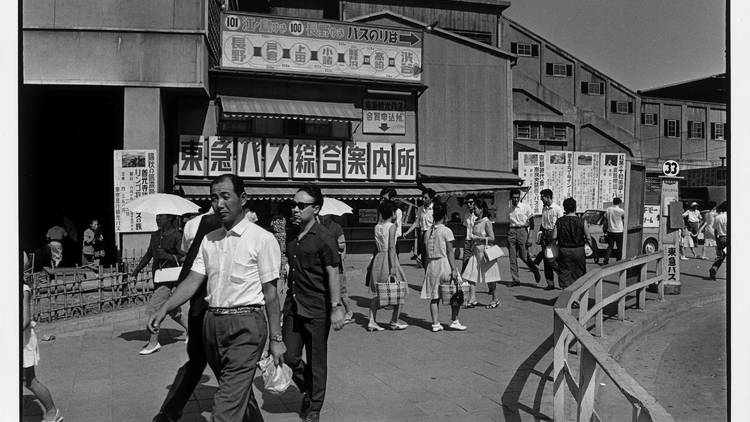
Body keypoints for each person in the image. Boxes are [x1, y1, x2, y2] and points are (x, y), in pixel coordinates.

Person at [149, 173, 284, 422]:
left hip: (246, 327)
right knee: (236, 394)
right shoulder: (209, 240)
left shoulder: (262, 239)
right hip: (212, 326)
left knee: (224, 409)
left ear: (242, 199)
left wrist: (276, 338)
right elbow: (192, 280)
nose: (219, 203)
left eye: (225, 196)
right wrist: (165, 308)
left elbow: (271, 293)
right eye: (214, 198)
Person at [283, 183, 345, 422]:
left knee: (317, 360)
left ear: (316, 208)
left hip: (318, 309)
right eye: (293, 205)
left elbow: (333, 272)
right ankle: (309, 388)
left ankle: (314, 407)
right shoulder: (291, 235)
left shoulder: (325, 237)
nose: (295, 210)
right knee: (289, 357)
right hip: (294, 306)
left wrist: (336, 307)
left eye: (301, 205)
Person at [152, 211, 221, 422]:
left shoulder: (197, 228)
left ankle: (168, 412)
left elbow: (188, 272)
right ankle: (169, 412)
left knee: (197, 364)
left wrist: (166, 307)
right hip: (212, 315)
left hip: (202, 312)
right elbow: (192, 280)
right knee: (232, 376)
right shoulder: (212, 239)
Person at [131, 214, 187, 355]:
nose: (157, 219)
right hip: (158, 275)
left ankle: (153, 342)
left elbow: (185, 256)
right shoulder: (155, 235)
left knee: (154, 309)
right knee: (173, 310)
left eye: (161, 216)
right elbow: (149, 254)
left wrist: (167, 256)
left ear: (169, 218)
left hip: (170, 278)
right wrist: (137, 270)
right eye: (157, 216)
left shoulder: (177, 235)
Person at [22, 252, 64, 422]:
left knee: (29, 380)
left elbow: (24, 320)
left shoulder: (23, 289)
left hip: (22, 341)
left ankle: (52, 411)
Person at [421, 202, 467, 331]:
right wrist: (454, 269)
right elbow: (450, 252)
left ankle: (435, 323)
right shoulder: (446, 230)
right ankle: (454, 320)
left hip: (431, 265)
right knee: (454, 292)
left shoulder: (427, 232)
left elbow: (425, 253)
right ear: (445, 215)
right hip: (444, 263)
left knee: (434, 296)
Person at [365, 200, 409, 332]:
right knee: (400, 288)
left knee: (376, 291)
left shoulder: (377, 226)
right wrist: (393, 268)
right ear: (391, 213)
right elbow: (391, 247)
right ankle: (394, 320)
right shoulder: (392, 226)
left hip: (378, 258)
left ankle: (372, 321)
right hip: (389, 260)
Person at [462, 200, 503, 309]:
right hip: (475, 252)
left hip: (485, 253)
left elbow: (492, 238)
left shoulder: (486, 222)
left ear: (481, 209)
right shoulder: (475, 221)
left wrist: (478, 238)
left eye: (475, 208)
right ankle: (472, 298)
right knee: (471, 275)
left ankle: (495, 299)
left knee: (490, 278)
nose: (474, 210)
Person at [318, 214, 354, 324]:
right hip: (323, 263)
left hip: (336, 262)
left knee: (342, 290)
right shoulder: (318, 227)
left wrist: (337, 248)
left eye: (324, 214)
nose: (322, 216)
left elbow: (342, 244)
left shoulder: (336, 227)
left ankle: (349, 312)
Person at [507, 189, 541, 286]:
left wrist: (530, 237)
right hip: (511, 231)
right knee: (512, 258)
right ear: (511, 198)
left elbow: (532, 223)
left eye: (517, 197)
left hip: (522, 231)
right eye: (514, 197)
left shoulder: (525, 207)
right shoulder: (509, 209)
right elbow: (508, 223)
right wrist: (508, 235)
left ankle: (534, 269)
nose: (516, 199)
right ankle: (515, 280)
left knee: (524, 256)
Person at [553, 198, 590, 289]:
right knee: (579, 273)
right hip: (579, 250)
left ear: (565, 208)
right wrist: (589, 247)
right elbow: (588, 237)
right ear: (575, 207)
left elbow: (554, 237)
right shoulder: (582, 221)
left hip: (564, 250)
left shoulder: (560, 221)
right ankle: (577, 298)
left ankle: (566, 295)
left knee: (565, 273)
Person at [534, 189, 563, 290]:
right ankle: (550, 283)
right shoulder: (544, 209)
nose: (541, 199)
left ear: (548, 197)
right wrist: (539, 235)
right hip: (545, 235)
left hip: (553, 235)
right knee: (547, 261)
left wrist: (557, 237)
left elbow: (560, 224)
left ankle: (562, 277)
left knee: (553, 259)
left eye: (542, 197)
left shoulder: (557, 209)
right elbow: (543, 223)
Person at [403, 188, 436, 268]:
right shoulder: (420, 208)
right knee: (425, 258)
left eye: (425, 198)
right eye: (423, 197)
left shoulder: (435, 208)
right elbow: (416, 222)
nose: (423, 199)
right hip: (423, 234)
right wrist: (407, 232)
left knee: (431, 257)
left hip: (433, 234)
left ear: (431, 199)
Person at [462, 194, 478, 307]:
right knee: (466, 268)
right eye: (467, 202)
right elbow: (465, 227)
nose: (469, 204)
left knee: (475, 270)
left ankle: (493, 293)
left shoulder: (479, 215)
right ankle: (469, 297)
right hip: (468, 241)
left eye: (471, 202)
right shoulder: (467, 214)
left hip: (477, 242)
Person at [380, 187, 403, 255]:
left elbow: (395, 232)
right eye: (381, 198)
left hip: (392, 243)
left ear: (393, 199)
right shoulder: (382, 210)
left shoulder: (397, 212)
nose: (382, 201)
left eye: (384, 199)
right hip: (382, 243)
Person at [603, 197, 625, 265]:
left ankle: (606, 259)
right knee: (619, 247)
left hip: (610, 230)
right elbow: (624, 218)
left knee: (610, 246)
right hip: (619, 231)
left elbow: (605, 217)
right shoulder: (621, 211)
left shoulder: (609, 209)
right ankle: (618, 260)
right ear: (619, 203)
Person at [709, 201, 728, 280]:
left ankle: (714, 268)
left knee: (721, 256)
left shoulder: (717, 217)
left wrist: (717, 241)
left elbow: (715, 230)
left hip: (720, 238)